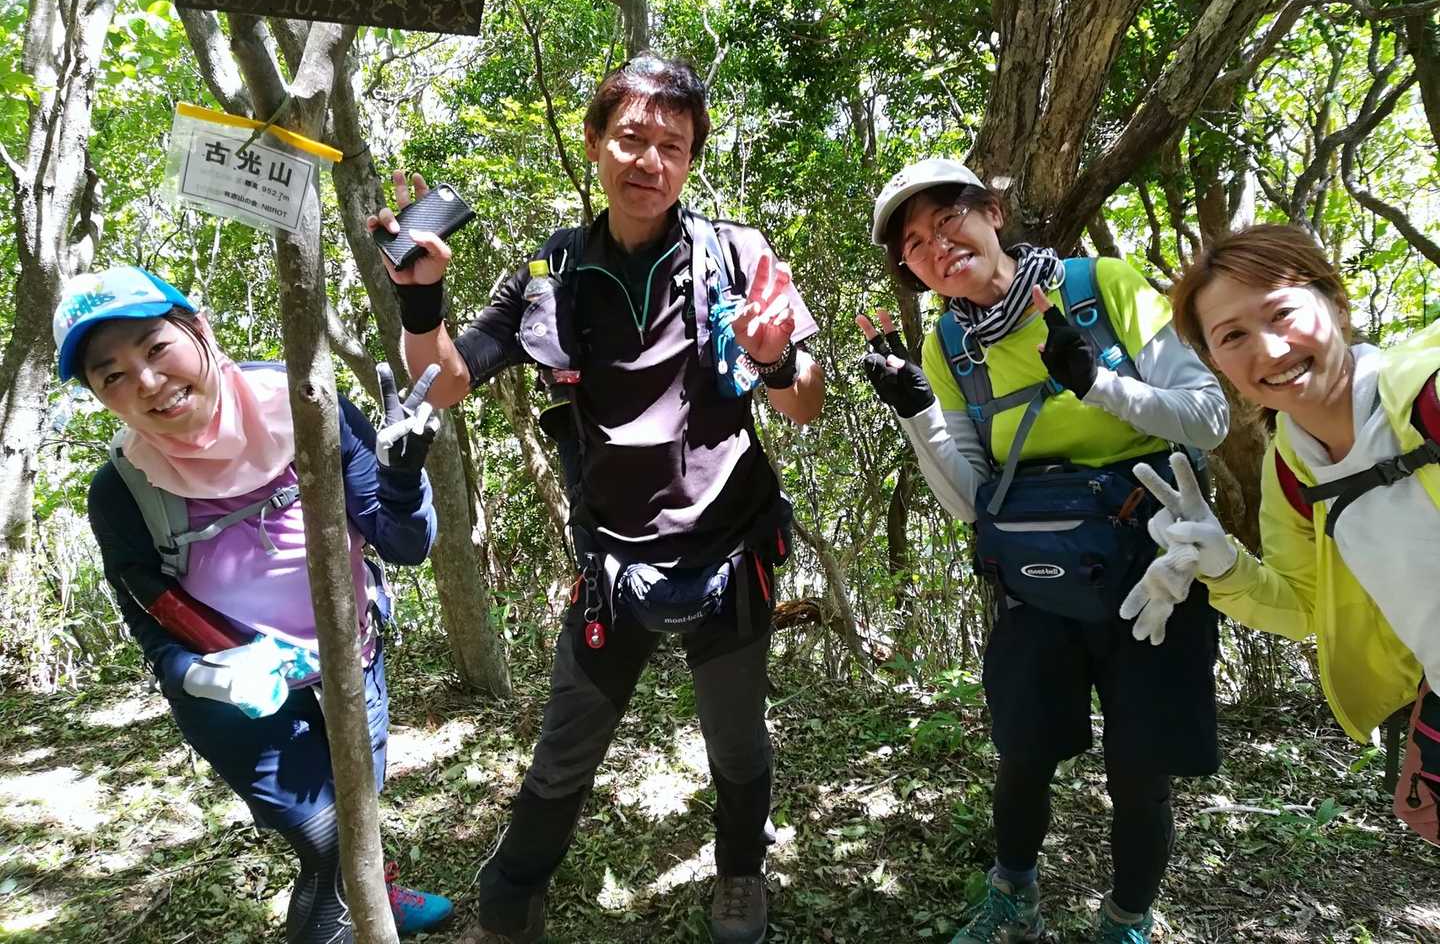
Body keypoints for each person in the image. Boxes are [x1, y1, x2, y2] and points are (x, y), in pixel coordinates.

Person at [368, 54, 825, 944]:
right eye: (630, 138)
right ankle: (513, 896)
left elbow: (803, 405)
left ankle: (740, 873)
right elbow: (447, 381)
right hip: (613, 556)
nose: (649, 160)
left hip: (731, 546)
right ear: (594, 142)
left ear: (690, 160)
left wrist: (773, 359)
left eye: (672, 145)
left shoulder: (737, 255)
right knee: (566, 744)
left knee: (736, 738)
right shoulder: (552, 270)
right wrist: (421, 301)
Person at [859, 159, 1229, 943]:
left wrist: (1098, 384)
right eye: (915, 244)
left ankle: (1126, 919)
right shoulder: (950, 347)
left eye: (947, 218)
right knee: (1023, 753)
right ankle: (1013, 900)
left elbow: (1209, 416)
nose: (937, 246)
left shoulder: (1101, 288)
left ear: (992, 212)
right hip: (1037, 585)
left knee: (1141, 769)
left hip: (1155, 576)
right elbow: (972, 499)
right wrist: (918, 415)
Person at [57, 265, 454, 942]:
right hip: (243, 703)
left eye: (156, 347)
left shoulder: (307, 407)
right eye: (112, 374)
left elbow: (405, 544)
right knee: (328, 843)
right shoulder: (122, 492)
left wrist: (401, 477)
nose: (146, 381)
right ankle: (350, 912)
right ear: (99, 396)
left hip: (352, 661)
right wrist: (211, 675)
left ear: (199, 329)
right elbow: (152, 628)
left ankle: (379, 895)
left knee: (360, 807)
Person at [1133, 224, 1440, 829]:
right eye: (1233, 336)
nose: (1271, 350)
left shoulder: (1427, 398)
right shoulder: (1292, 468)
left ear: (1338, 306)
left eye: (1282, 314)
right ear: (1216, 363)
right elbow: (1306, 607)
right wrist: (1222, 566)